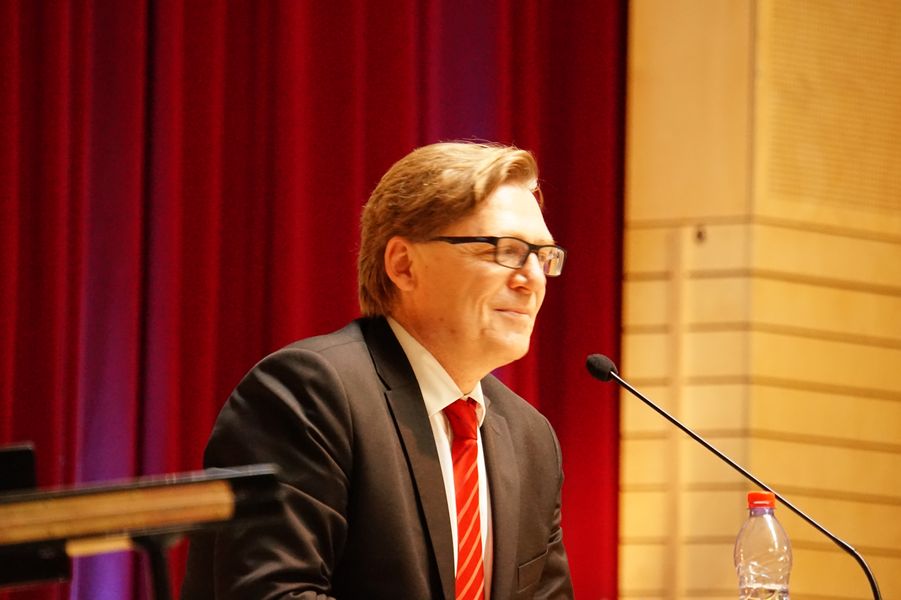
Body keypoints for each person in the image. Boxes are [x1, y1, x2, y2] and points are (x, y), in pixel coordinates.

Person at [180, 141, 574, 599]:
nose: (532, 279)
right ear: (403, 265)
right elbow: (275, 592)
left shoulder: (530, 438)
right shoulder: (309, 393)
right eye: (505, 250)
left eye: (543, 256)